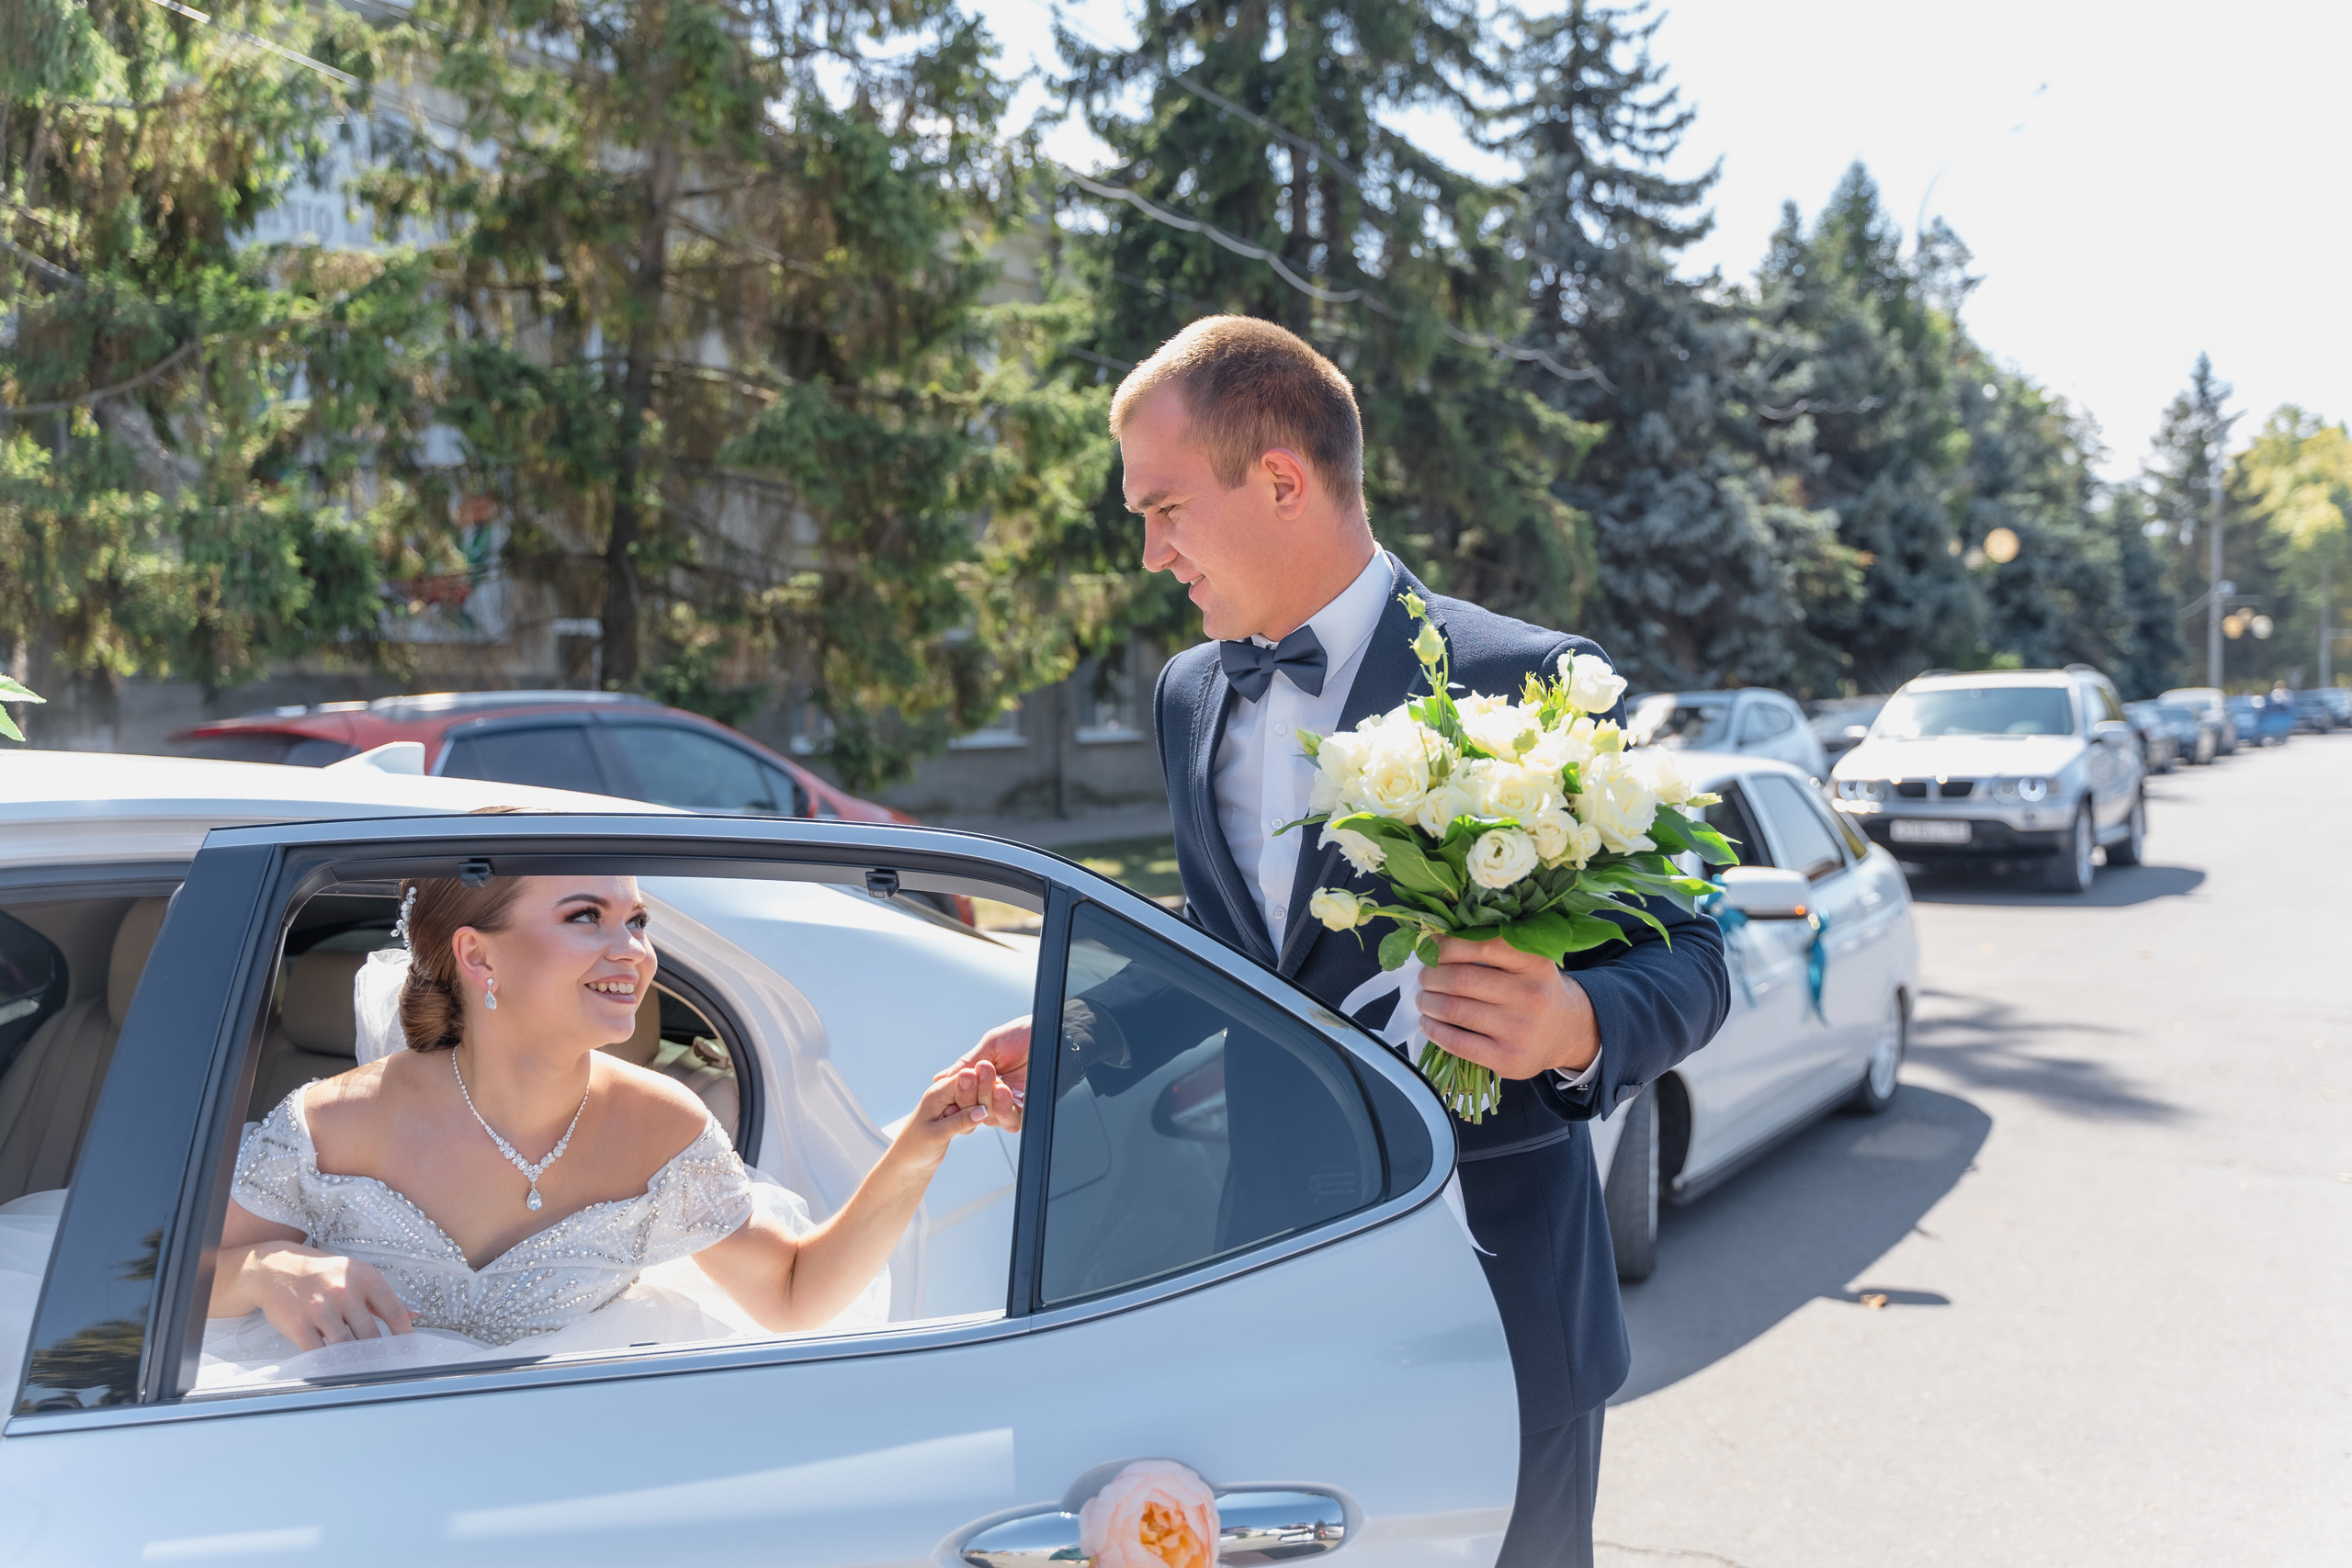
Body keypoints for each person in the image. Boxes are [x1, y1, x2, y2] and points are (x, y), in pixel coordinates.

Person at [955, 317, 1730, 1567]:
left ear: (1280, 480)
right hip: (1268, 1278)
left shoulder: (1531, 682)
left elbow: (1693, 960)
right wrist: (1084, 1034)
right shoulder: (1189, 693)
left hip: (1495, 1290)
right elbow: (1238, 943)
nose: (1151, 552)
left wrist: (1575, 1026)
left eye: (1165, 509)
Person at [209, 873, 1013, 1361]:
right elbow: (167, 1284)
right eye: (585, 916)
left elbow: (794, 1293)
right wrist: (265, 1271)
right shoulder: (334, 1122)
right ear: (478, 955)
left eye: (637, 920)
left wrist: (921, 1141)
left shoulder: (660, 1124)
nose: (631, 948)